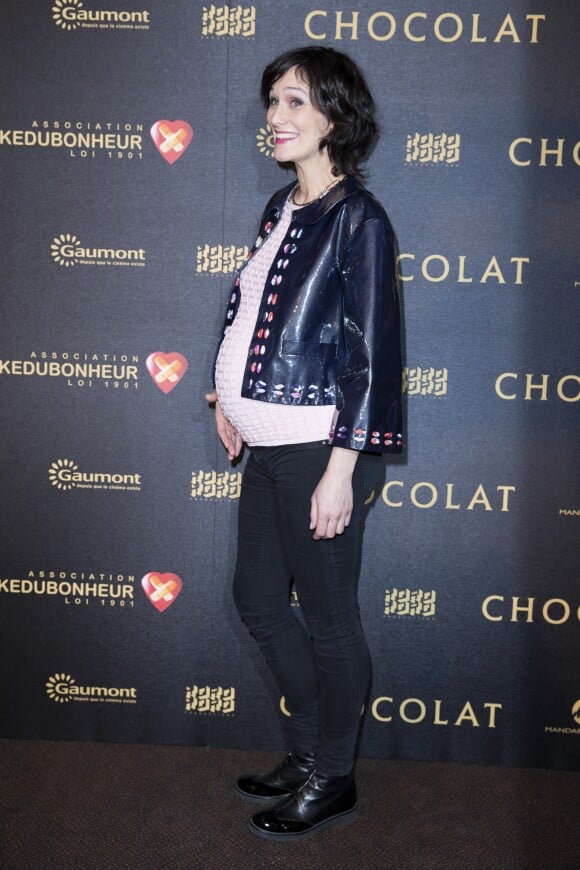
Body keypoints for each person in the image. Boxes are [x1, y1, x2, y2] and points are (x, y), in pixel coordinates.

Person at [205, 45, 402, 841]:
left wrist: (342, 469)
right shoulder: (282, 207)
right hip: (268, 444)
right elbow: (264, 320)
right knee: (257, 600)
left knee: (326, 618)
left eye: (293, 102)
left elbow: (371, 353)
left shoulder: (359, 217)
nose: (275, 119)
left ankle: (335, 776)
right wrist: (230, 397)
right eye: (271, 103)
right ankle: (309, 749)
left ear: (334, 116)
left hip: (320, 453)